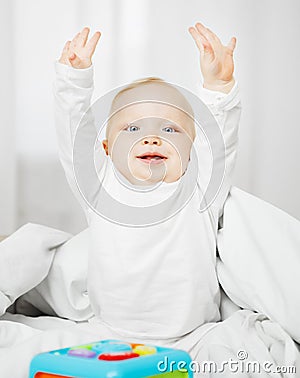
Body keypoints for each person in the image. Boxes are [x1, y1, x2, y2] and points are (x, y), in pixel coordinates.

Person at [54, 22, 241, 342]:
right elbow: (74, 138)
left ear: (192, 147)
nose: (152, 139)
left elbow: (221, 138)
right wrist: (74, 80)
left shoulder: (201, 192)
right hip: (109, 335)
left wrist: (219, 86)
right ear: (107, 148)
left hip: (194, 336)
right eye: (132, 129)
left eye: (169, 130)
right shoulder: (99, 190)